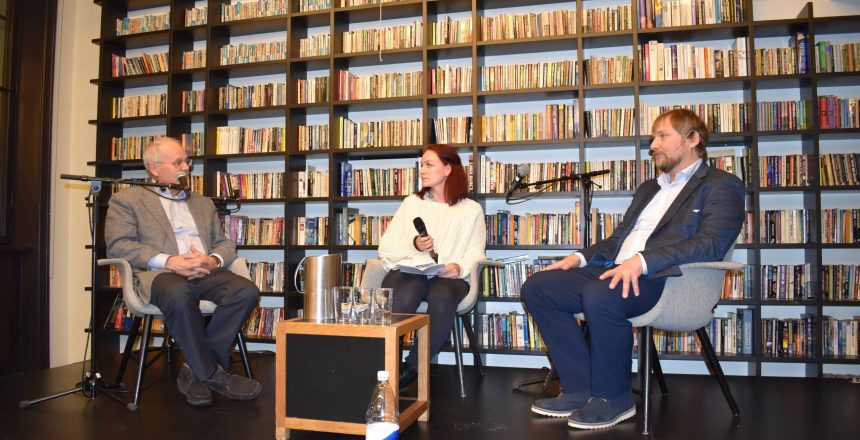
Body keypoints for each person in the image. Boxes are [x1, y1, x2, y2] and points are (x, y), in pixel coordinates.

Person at [522, 109, 745, 430]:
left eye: (663, 136)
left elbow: (711, 242)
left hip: (665, 277)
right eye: (653, 137)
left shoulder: (721, 185)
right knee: (539, 288)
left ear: (693, 139)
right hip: (618, 270)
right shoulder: (649, 189)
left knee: (600, 293)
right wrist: (579, 258)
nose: (653, 144)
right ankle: (580, 387)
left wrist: (643, 261)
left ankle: (615, 397)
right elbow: (617, 241)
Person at [105, 136, 262, 407]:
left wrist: (212, 259)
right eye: (178, 162)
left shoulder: (202, 203)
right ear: (154, 168)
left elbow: (224, 243)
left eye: (186, 161)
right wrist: (169, 261)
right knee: (180, 292)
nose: (186, 167)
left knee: (246, 291)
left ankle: (196, 371)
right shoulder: (127, 200)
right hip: (160, 275)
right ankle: (213, 374)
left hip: (205, 271)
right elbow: (119, 246)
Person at [377, 144, 487, 391]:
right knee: (406, 291)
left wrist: (459, 266)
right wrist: (415, 244)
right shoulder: (411, 203)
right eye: (421, 164)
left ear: (448, 168)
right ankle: (385, 364)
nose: (422, 170)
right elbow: (386, 246)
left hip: (449, 276)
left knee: (443, 295)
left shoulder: (471, 210)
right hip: (411, 271)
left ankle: (412, 368)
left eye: (429, 164)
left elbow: (476, 252)